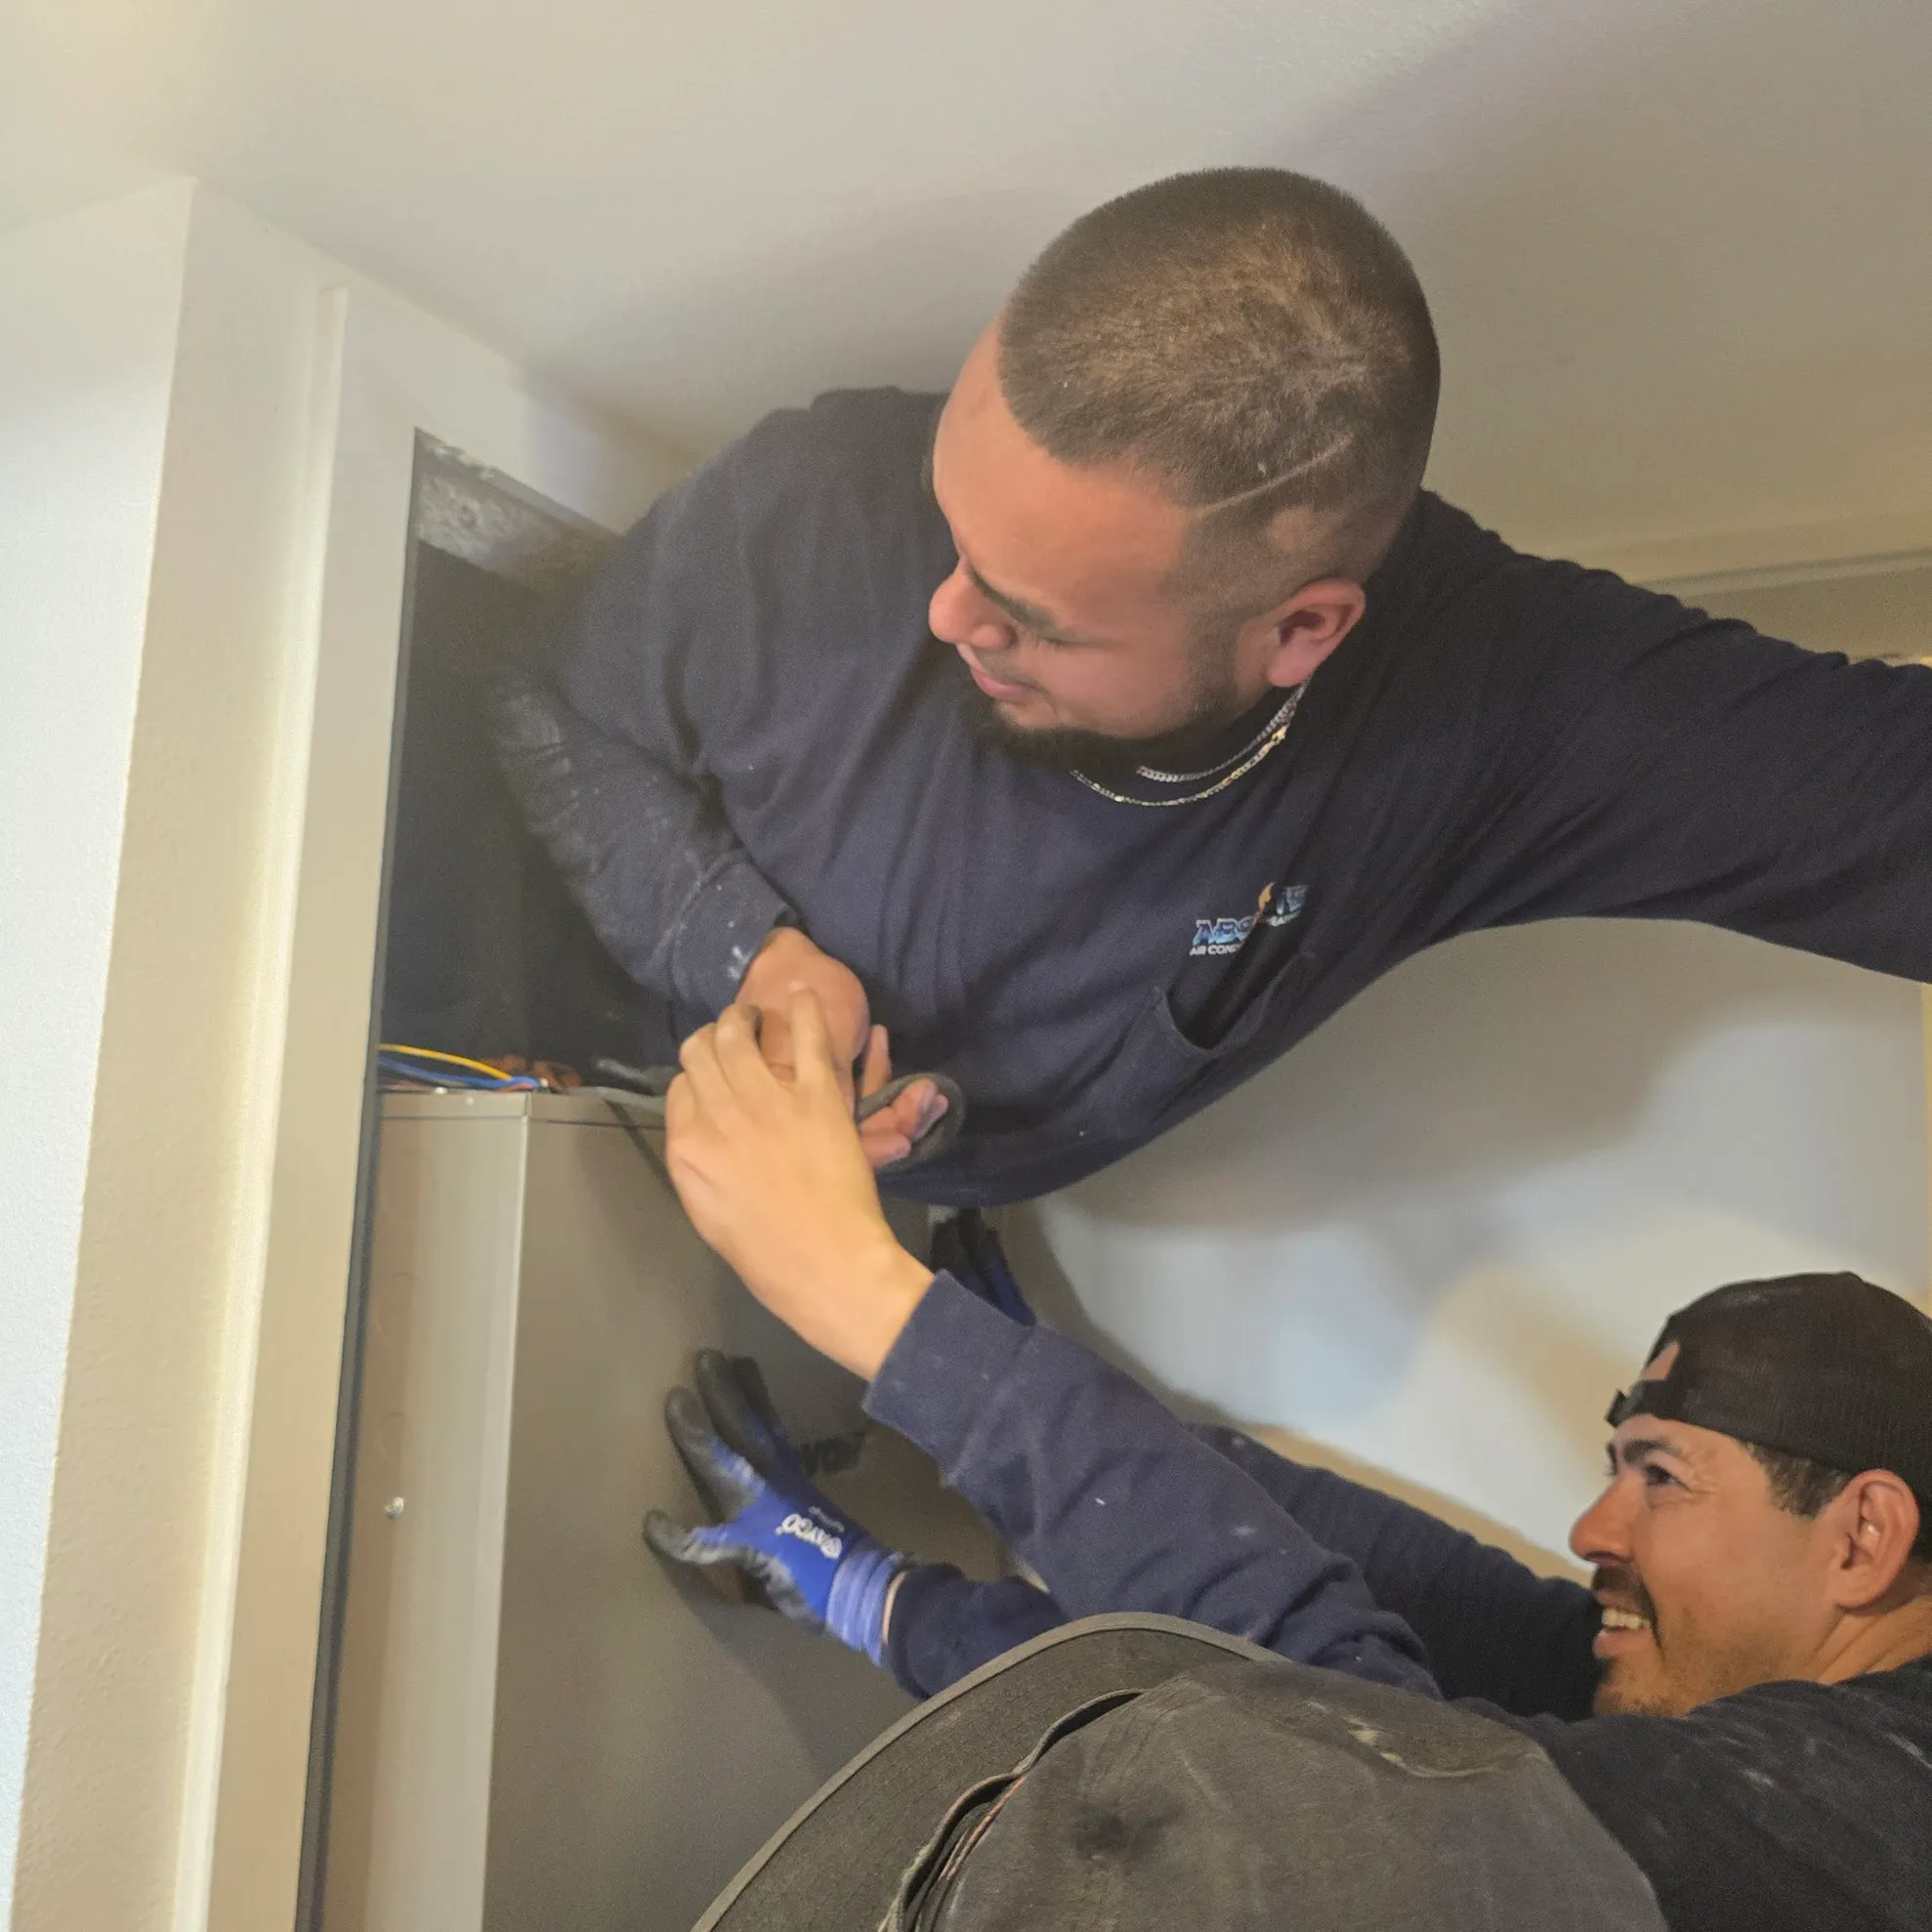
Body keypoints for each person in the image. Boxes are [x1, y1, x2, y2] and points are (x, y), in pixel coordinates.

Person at [493, 166, 1932, 1204]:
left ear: (1299, 631)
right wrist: (752, 958)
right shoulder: (809, 501)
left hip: (889, 1224)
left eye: (1028, 618)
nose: (944, 614)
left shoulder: (1492, 703)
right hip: (555, 1063)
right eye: (952, 524)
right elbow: (546, 706)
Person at [651, 994, 1932, 1932]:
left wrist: (874, 1320)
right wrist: (1052, 1392)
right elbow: (1441, 1599)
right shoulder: (1774, 1702)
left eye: (1661, 1476)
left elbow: (1341, 1769)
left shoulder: (1869, 1815)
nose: (1594, 1527)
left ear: (1863, 1536)